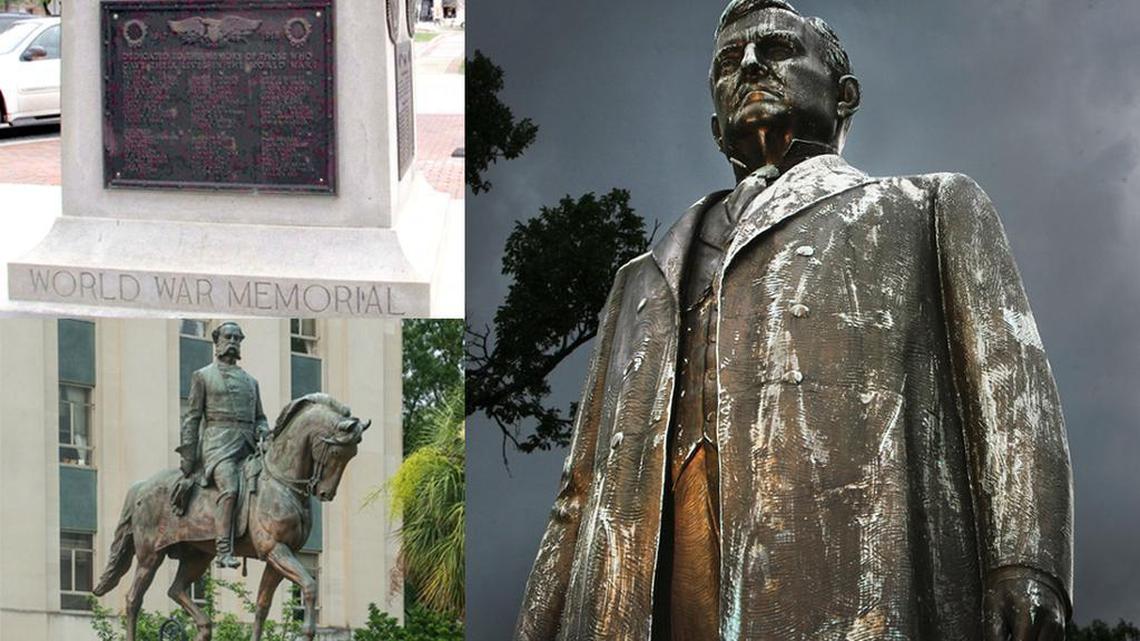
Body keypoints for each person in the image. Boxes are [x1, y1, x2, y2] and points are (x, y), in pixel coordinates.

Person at [514, 1, 1073, 639]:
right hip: (640, 601)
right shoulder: (637, 281)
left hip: (846, 579)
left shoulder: (929, 209)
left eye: (777, 49)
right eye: (728, 63)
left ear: (844, 95)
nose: (749, 65)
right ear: (714, 122)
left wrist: (1027, 562)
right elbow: (576, 493)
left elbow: (1012, 393)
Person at [177, 321, 268, 569]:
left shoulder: (251, 382)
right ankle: (224, 549)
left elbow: (260, 416)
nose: (233, 342)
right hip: (218, 446)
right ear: (216, 342)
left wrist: (263, 429)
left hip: (249, 445)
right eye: (228, 337)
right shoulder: (203, 376)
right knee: (230, 489)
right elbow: (193, 417)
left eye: (237, 339)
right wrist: (188, 457)